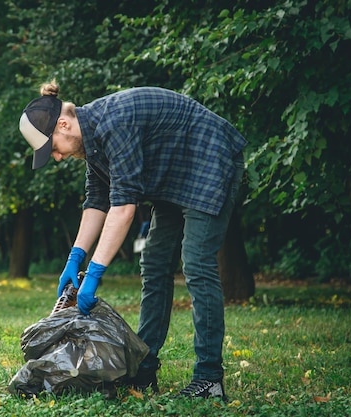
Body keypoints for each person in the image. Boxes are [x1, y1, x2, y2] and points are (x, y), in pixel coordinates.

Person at [18, 80, 246, 402]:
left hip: (209, 160)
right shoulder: (93, 142)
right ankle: (144, 369)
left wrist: (94, 274)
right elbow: (97, 202)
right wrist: (75, 258)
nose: (56, 157)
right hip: (173, 179)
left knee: (196, 263)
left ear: (64, 124)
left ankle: (209, 378)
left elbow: (123, 209)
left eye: (53, 148)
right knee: (153, 263)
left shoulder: (114, 124)